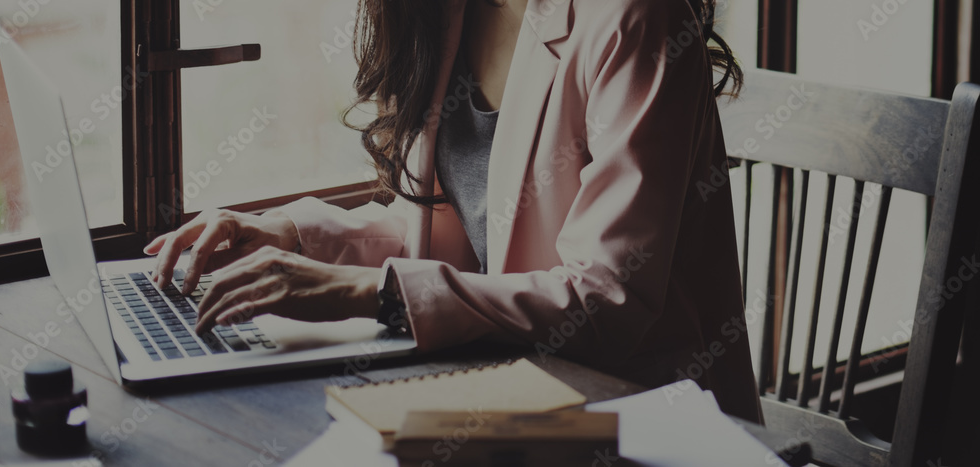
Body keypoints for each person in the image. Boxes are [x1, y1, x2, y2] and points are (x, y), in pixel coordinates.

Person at [145, 0, 762, 423]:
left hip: (638, 412)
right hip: (509, 388)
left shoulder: (635, 18)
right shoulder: (447, 13)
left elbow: (605, 300)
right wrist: (294, 235)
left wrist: (373, 293)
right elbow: (463, 233)